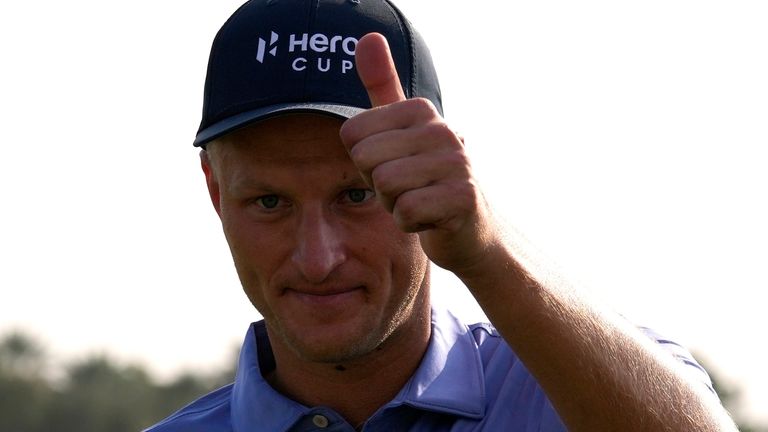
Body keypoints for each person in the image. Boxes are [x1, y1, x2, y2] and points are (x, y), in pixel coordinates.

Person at [146, 0, 738, 430]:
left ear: (440, 179)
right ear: (216, 194)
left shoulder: (575, 393)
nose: (318, 258)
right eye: (269, 203)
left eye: (357, 195)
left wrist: (485, 248)